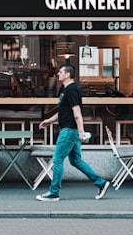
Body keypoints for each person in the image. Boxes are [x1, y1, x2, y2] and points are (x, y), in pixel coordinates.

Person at [35, 63, 111, 202]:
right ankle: (101, 183)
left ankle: (54, 192)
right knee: (75, 160)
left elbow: (77, 111)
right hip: (71, 130)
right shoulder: (65, 90)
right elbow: (63, 111)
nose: (58, 74)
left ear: (68, 74)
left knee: (57, 159)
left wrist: (81, 132)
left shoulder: (72, 90)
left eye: (60, 72)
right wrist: (49, 121)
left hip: (69, 131)